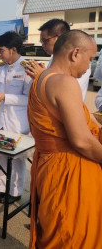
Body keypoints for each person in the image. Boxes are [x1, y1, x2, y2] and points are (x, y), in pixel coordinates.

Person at [27, 30, 102, 248]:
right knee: (70, 236)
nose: (89, 67)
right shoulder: (64, 82)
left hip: (51, 169)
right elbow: (81, 141)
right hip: (68, 173)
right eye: (89, 59)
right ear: (75, 53)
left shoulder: (41, 78)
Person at [0, 31, 32, 204]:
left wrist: (5, 97)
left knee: (17, 158)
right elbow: (0, 91)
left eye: (1, 50)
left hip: (18, 122)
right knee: (1, 155)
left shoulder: (27, 68)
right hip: (2, 120)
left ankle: (15, 191)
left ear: (13, 49)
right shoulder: (1, 68)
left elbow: (29, 99)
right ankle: (1, 187)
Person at [26, 19, 90, 101]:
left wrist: (41, 76)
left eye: (45, 41)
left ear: (59, 38)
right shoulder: (54, 57)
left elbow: (67, 90)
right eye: (41, 41)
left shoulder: (77, 60)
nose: (43, 45)